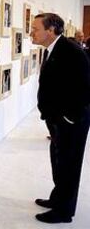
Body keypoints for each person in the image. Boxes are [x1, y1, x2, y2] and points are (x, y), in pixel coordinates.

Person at [30, 13, 90, 223]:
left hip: (70, 121)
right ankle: (58, 199)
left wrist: (68, 118)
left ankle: (63, 212)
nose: (31, 33)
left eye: (35, 29)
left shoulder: (71, 51)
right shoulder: (53, 49)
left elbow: (84, 88)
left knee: (69, 165)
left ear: (51, 30)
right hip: (57, 120)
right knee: (59, 161)